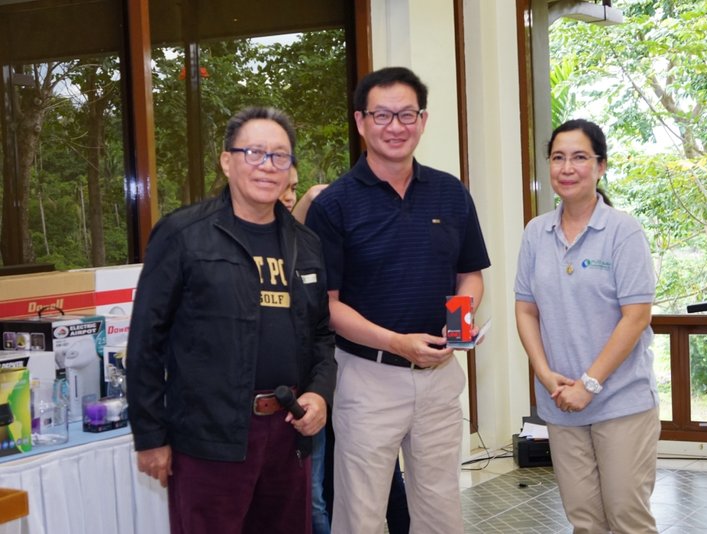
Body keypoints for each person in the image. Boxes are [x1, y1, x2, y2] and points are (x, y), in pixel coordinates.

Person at [127, 105, 336, 534]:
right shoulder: (183, 235)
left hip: (288, 433)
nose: (268, 165)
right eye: (254, 152)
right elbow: (146, 341)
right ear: (227, 161)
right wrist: (150, 436)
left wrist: (319, 394)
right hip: (209, 438)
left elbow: (321, 335)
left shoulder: (306, 244)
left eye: (280, 156)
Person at [306, 66, 491, 534]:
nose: (396, 126)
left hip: (439, 377)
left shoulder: (450, 193)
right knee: (361, 515)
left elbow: (470, 275)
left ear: (423, 120)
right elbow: (327, 304)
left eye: (407, 114)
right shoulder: (334, 205)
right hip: (367, 379)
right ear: (361, 121)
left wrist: (460, 322)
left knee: (440, 510)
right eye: (382, 115)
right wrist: (396, 342)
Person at [514, 119, 660, 534]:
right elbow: (526, 309)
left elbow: (636, 316)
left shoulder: (622, 231)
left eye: (579, 157)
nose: (567, 168)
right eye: (558, 157)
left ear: (601, 166)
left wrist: (589, 384)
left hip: (620, 401)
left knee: (627, 516)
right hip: (561, 401)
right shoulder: (536, 233)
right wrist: (545, 373)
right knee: (584, 520)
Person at [285, 179, 411, 534]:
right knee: (321, 490)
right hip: (307, 384)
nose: (288, 195)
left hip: (338, 375)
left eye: (293, 187)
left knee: (379, 478)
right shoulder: (288, 249)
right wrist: (307, 201)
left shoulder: (319, 252)